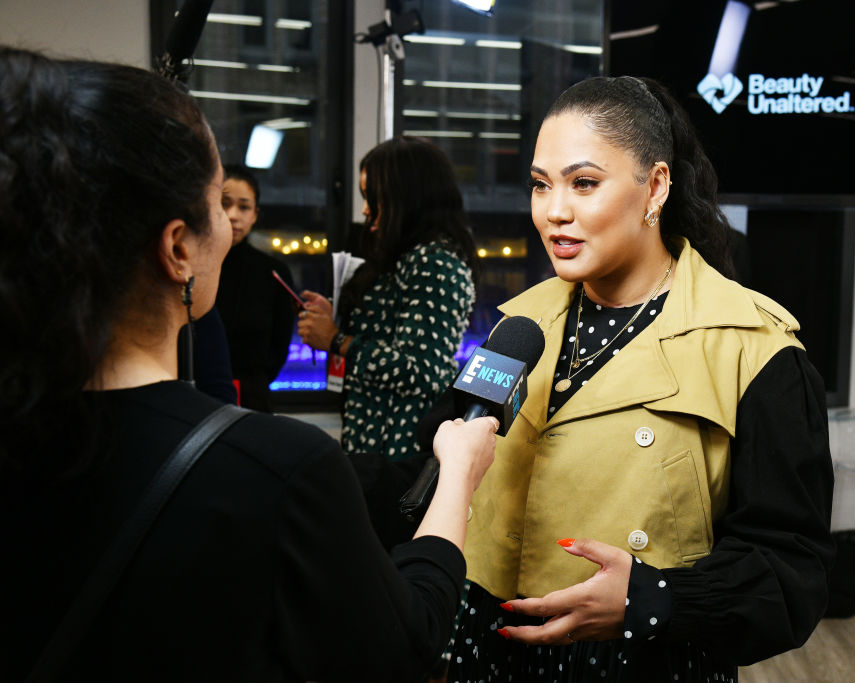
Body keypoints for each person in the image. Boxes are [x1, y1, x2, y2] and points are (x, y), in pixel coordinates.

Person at [0, 47, 499, 682]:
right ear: (179, 246)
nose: (231, 224)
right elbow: (404, 644)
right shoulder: (283, 471)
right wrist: (457, 473)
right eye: (217, 201)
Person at [446, 76, 835, 682]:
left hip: (642, 660)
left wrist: (656, 598)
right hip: (491, 650)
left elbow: (791, 574)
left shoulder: (754, 351)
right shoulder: (517, 326)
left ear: (655, 187)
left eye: (584, 183)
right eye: (540, 185)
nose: (554, 212)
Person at [297, 136, 478, 460]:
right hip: (372, 445)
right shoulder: (401, 257)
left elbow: (420, 372)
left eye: (373, 197)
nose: (366, 209)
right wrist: (337, 317)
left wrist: (337, 340)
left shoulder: (435, 264)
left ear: (404, 198)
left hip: (400, 452)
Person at [216, 163, 297, 411]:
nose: (233, 215)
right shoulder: (189, 266)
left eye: (244, 207)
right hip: (199, 396)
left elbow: (280, 345)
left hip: (253, 398)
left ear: (255, 214)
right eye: (224, 203)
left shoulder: (274, 273)